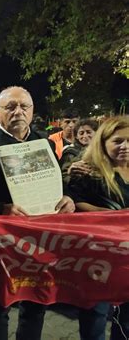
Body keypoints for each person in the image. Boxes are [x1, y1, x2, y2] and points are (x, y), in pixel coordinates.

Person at [0, 86, 75, 340]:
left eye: (23, 106)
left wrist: (69, 199)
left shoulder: (45, 144)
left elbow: (58, 183)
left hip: (39, 238)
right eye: (10, 107)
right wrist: (0, 208)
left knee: (36, 302)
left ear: (32, 111)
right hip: (1, 239)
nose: (18, 112)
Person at [68, 116, 129, 340]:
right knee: (95, 317)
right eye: (118, 141)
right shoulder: (87, 171)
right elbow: (73, 202)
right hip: (98, 258)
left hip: (127, 260)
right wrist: (114, 217)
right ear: (103, 143)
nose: (125, 146)